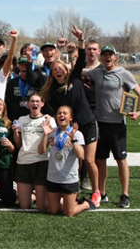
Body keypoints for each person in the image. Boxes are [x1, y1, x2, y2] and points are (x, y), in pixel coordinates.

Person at [39, 26, 100, 207]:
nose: (58, 70)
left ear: (65, 69)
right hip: (71, 129)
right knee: (74, 159)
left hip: (87, 123)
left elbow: (81, 58)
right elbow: (52, 110)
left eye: (60, 67)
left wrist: (81, 40)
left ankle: (96, 192)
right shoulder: (53, 91)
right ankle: (76, 189)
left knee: (88, 160)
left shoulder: (74, 79)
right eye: (54, 69)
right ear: (52, 73)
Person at [84, 45, 140, 208]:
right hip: (100, 123)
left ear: (115, 57)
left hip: (118, 124)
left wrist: (138, 111)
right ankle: (102, 193)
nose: (107, 57)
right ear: (101, 57)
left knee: (121, 160)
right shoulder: (97, 72)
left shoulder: (124, 74)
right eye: (104, 55)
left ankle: (125, 194)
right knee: (100, 160)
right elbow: (78, 71)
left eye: (110, 55)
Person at [38, 106, 95, 216]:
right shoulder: (51, 132)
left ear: (71, 117)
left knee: (69, 213)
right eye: (59, 113)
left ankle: (86, 204)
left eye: (65, 113)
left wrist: (73, 140)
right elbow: (41, 151)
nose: (61, 115)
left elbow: (81, 155)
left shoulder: (77, 134)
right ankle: (69, 203)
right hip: (53, 177)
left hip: (69, 179)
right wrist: (45, 134)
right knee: (54, 211)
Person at [13, 94, 55, 211]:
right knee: (24, 206)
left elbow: (53, 140)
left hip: (41, 162)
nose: (34, 104)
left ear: (42, 104)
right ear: (28, 104)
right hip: (23, 162)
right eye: (32, 101)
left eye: (37, 101)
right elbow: (18, 144)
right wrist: (15, 132)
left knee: (43, 207)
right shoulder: (22, 119)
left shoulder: (48, 120)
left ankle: (44, 198)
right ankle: (34, 197)